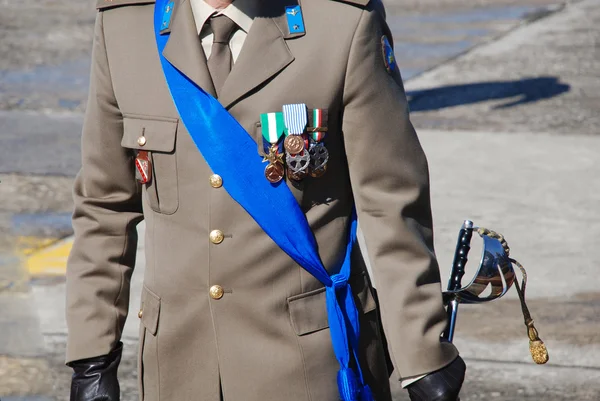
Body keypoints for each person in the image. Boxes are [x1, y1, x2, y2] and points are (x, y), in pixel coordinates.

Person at [65, 0, 466, 400]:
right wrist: (92, 356)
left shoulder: (341, 22)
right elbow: (104, 205)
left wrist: (423, 355)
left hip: (309, 367)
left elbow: (390, 202)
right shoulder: (125, 25)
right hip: (178, 369)